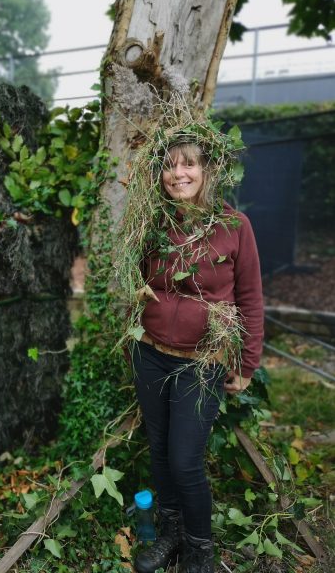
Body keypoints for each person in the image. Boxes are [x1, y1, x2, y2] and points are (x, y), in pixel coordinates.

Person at [126, 139, 264, 573]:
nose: (178, 174)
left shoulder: (234, 225)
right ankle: (169, 533)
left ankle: (200, 547)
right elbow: (135, 275)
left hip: (201, 362)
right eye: (170, 166)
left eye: (189, 165)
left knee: (185, 460)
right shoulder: (152, 223)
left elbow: (251, 299)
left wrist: (246, 364)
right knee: (161, 453)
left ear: (207, 172)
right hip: (150, 354)